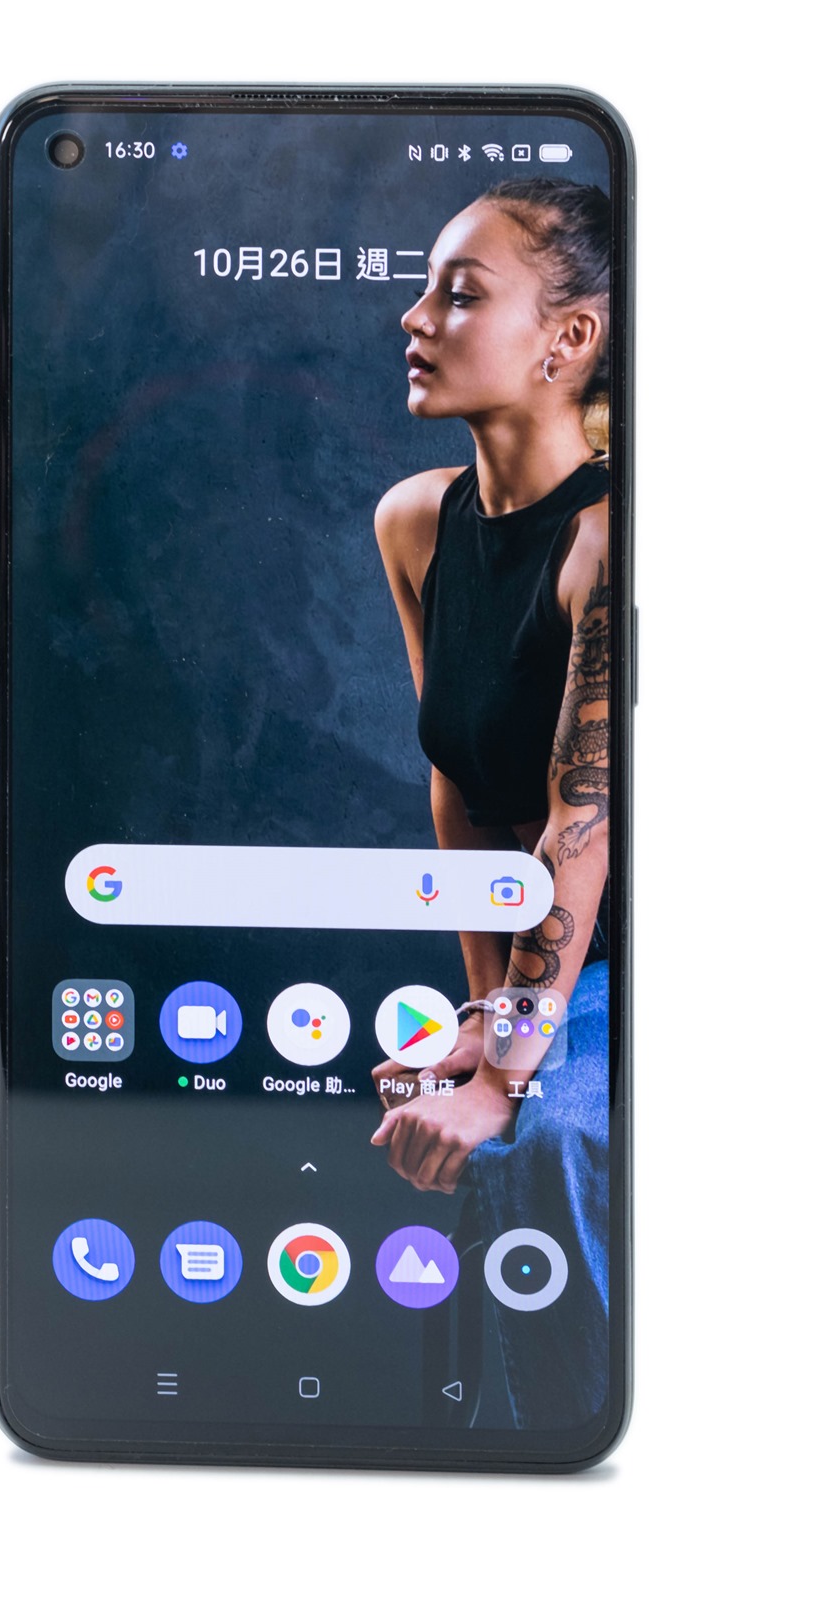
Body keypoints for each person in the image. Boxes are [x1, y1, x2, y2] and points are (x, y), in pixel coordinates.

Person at [370, 179, 612, 1428]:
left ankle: (578, 1459)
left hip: (624, 957)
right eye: (422, 291)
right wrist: (478, 1015)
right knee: (441, 1108)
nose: (413, 318)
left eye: (457, 296)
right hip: (530, 957)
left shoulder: (612, 540)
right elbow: (459, 787)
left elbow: (582, 822)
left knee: (540, 1137)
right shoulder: (413, 521)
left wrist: (506, 1070)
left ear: (566, 340)